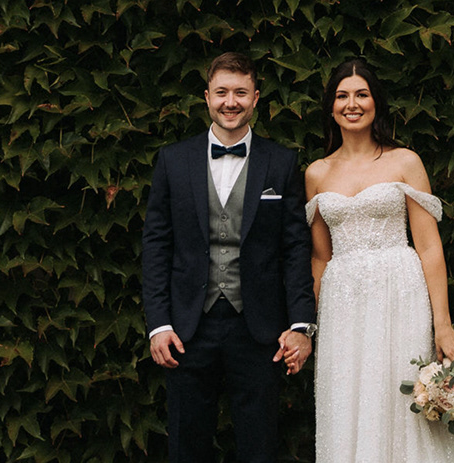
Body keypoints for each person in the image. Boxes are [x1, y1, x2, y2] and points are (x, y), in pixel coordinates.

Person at [141, 51, 318, 463]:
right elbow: (156, 245)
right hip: (187, 328)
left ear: (255, 97)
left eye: (240, 92)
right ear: (207, 97)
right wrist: (159, 324)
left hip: (259, 329)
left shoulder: (281, 162)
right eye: (221, 92)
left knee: (260, 446)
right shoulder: (173, 160)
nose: (230, 102)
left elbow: (295, 248)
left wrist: (300, 325)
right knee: (186, 445)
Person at [304, 58, 454, 462]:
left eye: (362, 94)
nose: (352, 104)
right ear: (331, 107)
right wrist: (308, 327)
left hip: (400, 294)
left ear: (376, 102)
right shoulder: (316, 173)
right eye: (342, 96)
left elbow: (429, 246)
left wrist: (443, 325)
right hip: (342, 307)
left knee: (401, 401)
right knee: (349, 402)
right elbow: (320, 257)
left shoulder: (404, 162)